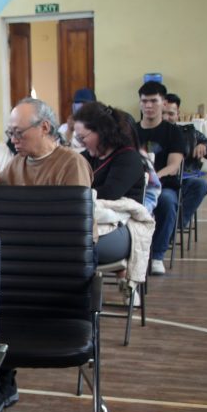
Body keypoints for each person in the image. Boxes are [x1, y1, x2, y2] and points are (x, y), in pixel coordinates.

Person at [73, 102, 154, 284]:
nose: (80, 143)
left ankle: (86, 297)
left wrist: (75, 195)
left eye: (82, 137)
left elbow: (110, 193)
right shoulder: (87, 157)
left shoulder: (128, 158)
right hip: (94, 226)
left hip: (122, 228)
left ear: (101, 132)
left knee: (68, 247)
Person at [135, 81, 189, 274]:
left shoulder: (173, 132)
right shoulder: (131, 131)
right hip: (135, 185)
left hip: (163, 185)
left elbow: (174, 166)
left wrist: (153, 177)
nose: (148, 105)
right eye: (144, 101)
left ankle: (157, 256)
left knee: (167, 200)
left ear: (164, 103)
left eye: (153, 101)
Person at [0, 97, 92, 189]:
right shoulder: (17, 162)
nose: (13, 140)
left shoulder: (72, 163)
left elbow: (76, 208)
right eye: (11, 133)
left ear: (44, 127)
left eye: (19, 132)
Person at [164, 93, 207, 227]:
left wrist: (205, 146)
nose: (166, 117)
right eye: (162, 113)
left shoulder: (190, 133)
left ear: (178, 114)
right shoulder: (149, 133)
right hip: (159, 182)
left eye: (171, 114)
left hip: (184, 180)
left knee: (201, 185)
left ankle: (177, 224)